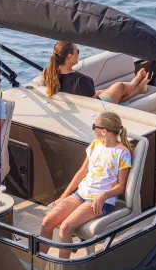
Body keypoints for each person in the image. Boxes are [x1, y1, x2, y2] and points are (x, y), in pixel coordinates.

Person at [39, 111, 133, 259]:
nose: (92, 128)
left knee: (65, 228)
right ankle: (39, 263)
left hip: (100, 201)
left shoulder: (123, 153)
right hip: (80, 194)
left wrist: (104, 195)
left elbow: (121, 186)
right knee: (47, 222)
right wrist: (63, 197)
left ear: (104, 131)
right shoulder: (95, 145)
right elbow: (81, 173)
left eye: (94, 126)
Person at [43, 41, 152, 104]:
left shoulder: (47, 73)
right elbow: (95, 104)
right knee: (119, 87)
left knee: (106, 91)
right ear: (69, 56)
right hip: (93, 110)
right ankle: (135, 83)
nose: (78, 54)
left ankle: (139, 88)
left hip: (78, 104)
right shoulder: (82, 80)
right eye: (77, 51)